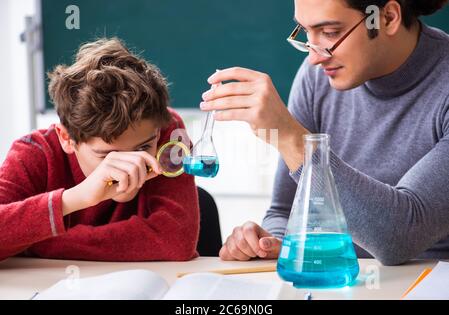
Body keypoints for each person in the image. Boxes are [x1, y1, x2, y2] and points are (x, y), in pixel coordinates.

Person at [200, 0, 449, 265]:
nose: (314, 57)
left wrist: (291, 139)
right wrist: (272, 243)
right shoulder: (317, 79)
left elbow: (400, 237)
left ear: (386, 17)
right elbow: (284, 210)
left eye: (330, 33)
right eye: (305, 32)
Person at [0, 38, 199, 262]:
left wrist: (35, 242)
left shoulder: (165, 132)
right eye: (108, 155)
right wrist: (76, 198)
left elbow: (175, 242)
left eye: (143, 147)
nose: (130, 168)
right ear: (66, 138)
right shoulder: (34, 153)